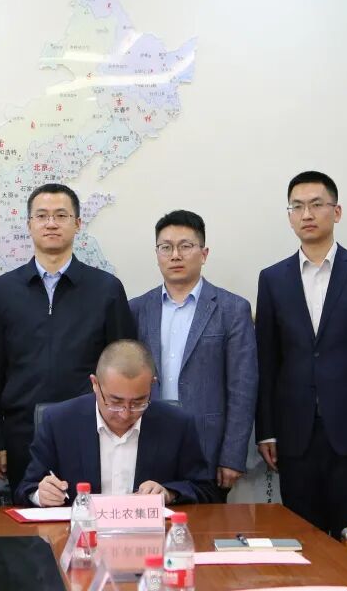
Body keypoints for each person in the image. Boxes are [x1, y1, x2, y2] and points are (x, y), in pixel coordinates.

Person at [255, 171, 347, 559]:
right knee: (302, 544)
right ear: (289, 216)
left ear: (336, 212)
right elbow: (267, 362)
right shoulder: (272, 279)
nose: (307, 214)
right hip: (294, 435)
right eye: (297, 206)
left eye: (316, 204)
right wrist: (266, 431)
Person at [0, 183, 136, 491]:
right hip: (22, 433)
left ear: (77, 223)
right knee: (30, 513)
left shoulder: (106, 289)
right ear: (29, 225)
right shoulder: (1, 291)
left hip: (91, 430)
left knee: (89, 511)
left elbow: (124, 366)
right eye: (42, 216)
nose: (51, 223)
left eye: (61, 215)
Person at [129, 210, 257, 500]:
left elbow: (243, 388)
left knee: (205, 525)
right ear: (157, 254)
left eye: (185, 246)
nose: (175, 255)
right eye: (166, 247)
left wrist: (232, 455)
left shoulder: (232, 309)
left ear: (204, 253)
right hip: (148, 442)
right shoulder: (136, 309)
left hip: (207, 446)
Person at [15, 340, 219, 506]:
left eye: (138, 402)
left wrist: (169, 493)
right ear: (95, 384)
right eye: (115, 402)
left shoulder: (176, 424)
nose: (125, 413)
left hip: (148, 538)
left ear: (152, 385)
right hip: (81, 537)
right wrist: (40, 495)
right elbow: (25, 489)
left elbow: (205, 490)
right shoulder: (59, 422)